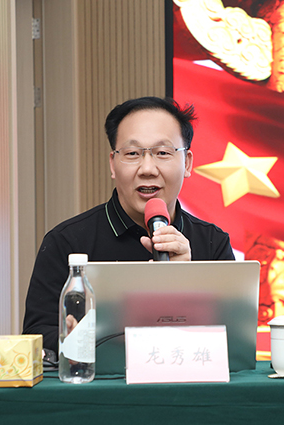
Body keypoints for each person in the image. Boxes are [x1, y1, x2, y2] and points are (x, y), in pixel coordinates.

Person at [23, 96, 235, 352]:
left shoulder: (213, 244)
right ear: (113, 164)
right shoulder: (66, 242)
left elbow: (232, 343)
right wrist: (84, 336)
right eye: (133, 154)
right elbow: (37, 336)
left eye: (162, 153)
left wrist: (186, 281)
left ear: (187, 163)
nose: (147, 168)